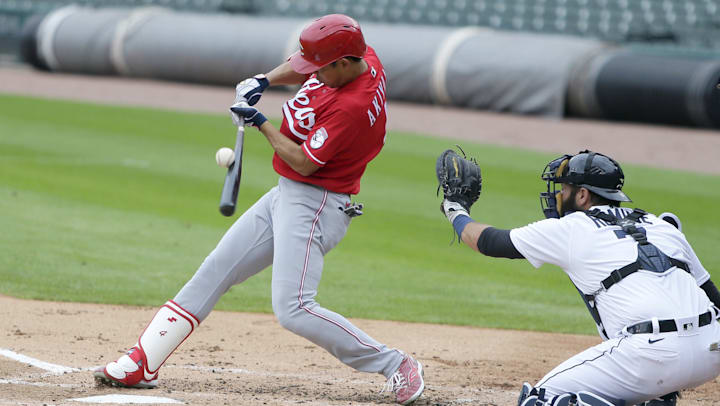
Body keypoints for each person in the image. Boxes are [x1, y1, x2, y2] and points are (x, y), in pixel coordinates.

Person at [93, 14, 424, 405]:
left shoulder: (352, 107)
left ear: (342, 64)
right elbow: (304, 65)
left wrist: (260, 122)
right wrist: (263, 81)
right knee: (216, 268)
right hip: (288, 194)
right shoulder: (361, 54)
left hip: (316, 203)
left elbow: (302, 161)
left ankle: (395, 364)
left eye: (320, 69)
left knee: (294, 308)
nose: (311, 74)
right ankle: (143, 361)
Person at [436, 149, 720, 406]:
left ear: (583, 195)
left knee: (539, 401)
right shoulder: (662, 225)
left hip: (651, 357)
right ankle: (658, 395)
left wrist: (455, 210)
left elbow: (490, 242)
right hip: (711, 351)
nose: (558, 195)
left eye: (565, 188)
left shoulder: (571, 228)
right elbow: (713, 297)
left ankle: (655, 389)